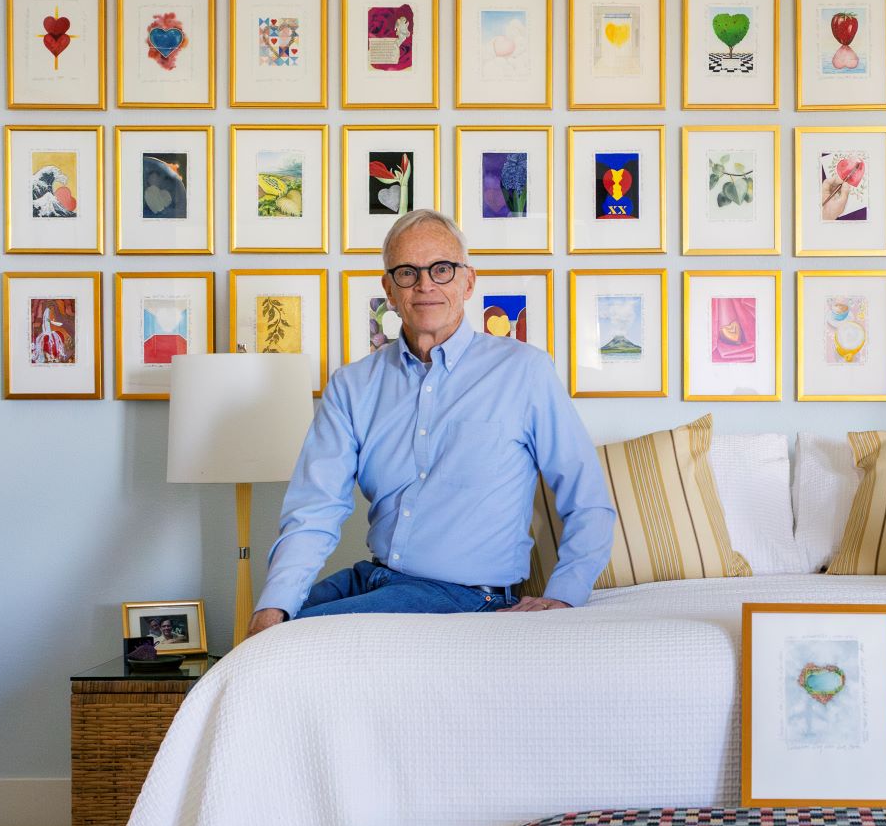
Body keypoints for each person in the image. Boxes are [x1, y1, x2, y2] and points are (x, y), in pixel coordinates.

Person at [246, 209, 615, 635]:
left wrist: (564, 595)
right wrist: (271, 607)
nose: (425, 285)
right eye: (407, 272)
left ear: (468, 281)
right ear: (389, 287)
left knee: (299, 636)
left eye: (441, 269)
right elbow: (315, 511)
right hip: (373, 578)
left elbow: (588, 499)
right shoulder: (352, 386)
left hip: (468, 595)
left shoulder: (524, 372)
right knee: (271, 627)